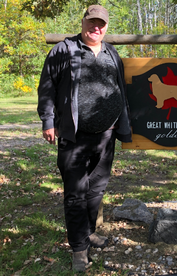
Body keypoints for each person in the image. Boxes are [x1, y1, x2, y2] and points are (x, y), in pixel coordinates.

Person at [37, 5, 132, 271]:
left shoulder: (112, 52)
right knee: (75, 194)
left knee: (97, 189)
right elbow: (47, 87)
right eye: (92, 22)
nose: (96, 28)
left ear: (106, 26)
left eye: (101, 23)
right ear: (83, 23)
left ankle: (88, 231)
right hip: (73, 136)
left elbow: (120, 89)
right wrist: (48, 120)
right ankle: (79, 248)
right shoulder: (63, 50)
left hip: (106, 135)